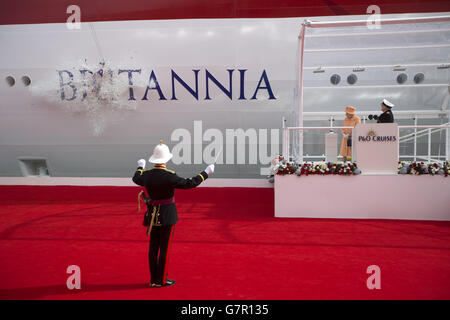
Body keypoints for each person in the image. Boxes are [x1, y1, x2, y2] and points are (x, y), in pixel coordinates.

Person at [132, 140, 214, 288]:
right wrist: (205, 173)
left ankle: (153, 279)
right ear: (167, 159)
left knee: (153, 248)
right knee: (164, 248)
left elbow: (136, 178)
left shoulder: (147, 175)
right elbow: (190, 183)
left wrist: (140, 166)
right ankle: (161, 280)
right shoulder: (170, 176)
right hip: (167, 215)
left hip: (152, 215)